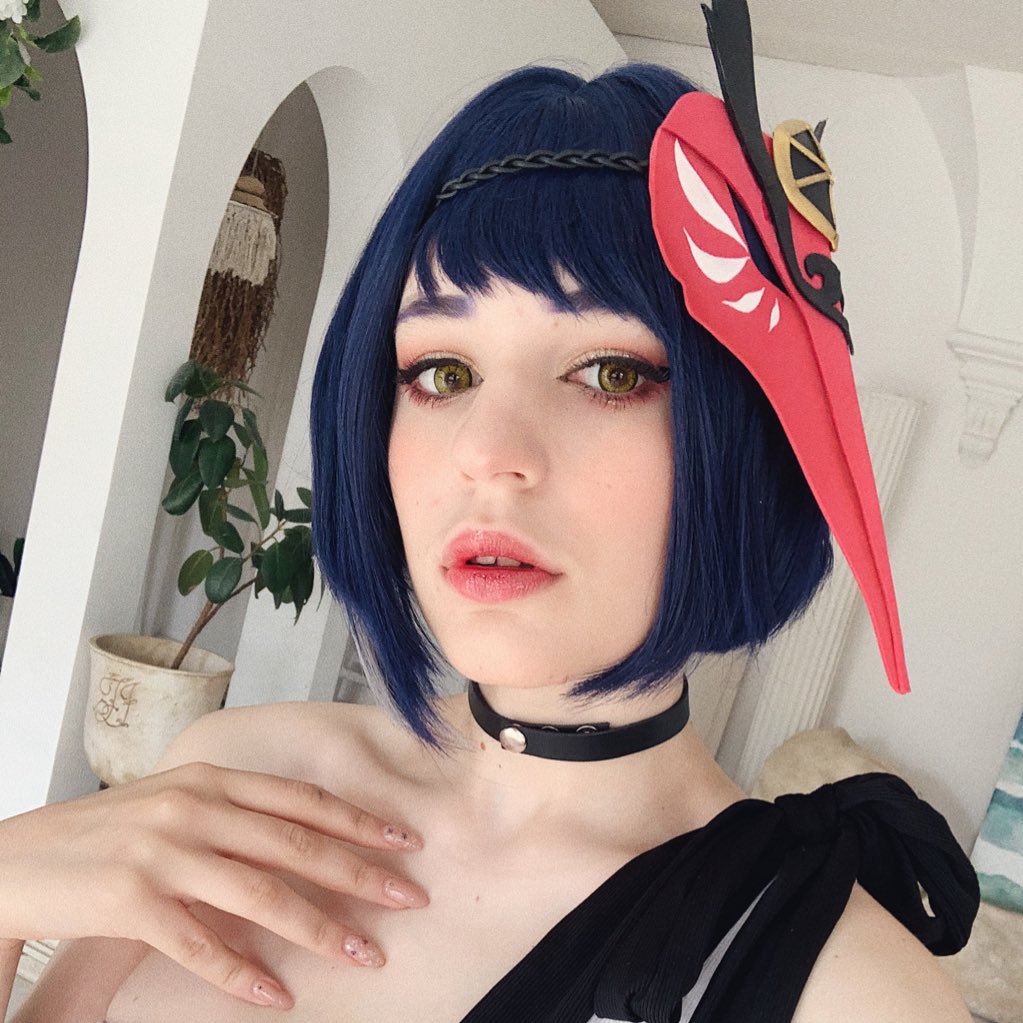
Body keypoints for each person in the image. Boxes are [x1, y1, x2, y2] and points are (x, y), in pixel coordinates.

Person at [4, 2, 979, 1020]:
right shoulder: (234, 777)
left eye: (608, 371)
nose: (487, 451)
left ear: (738, 442)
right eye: (442, 370)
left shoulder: (851, 995)